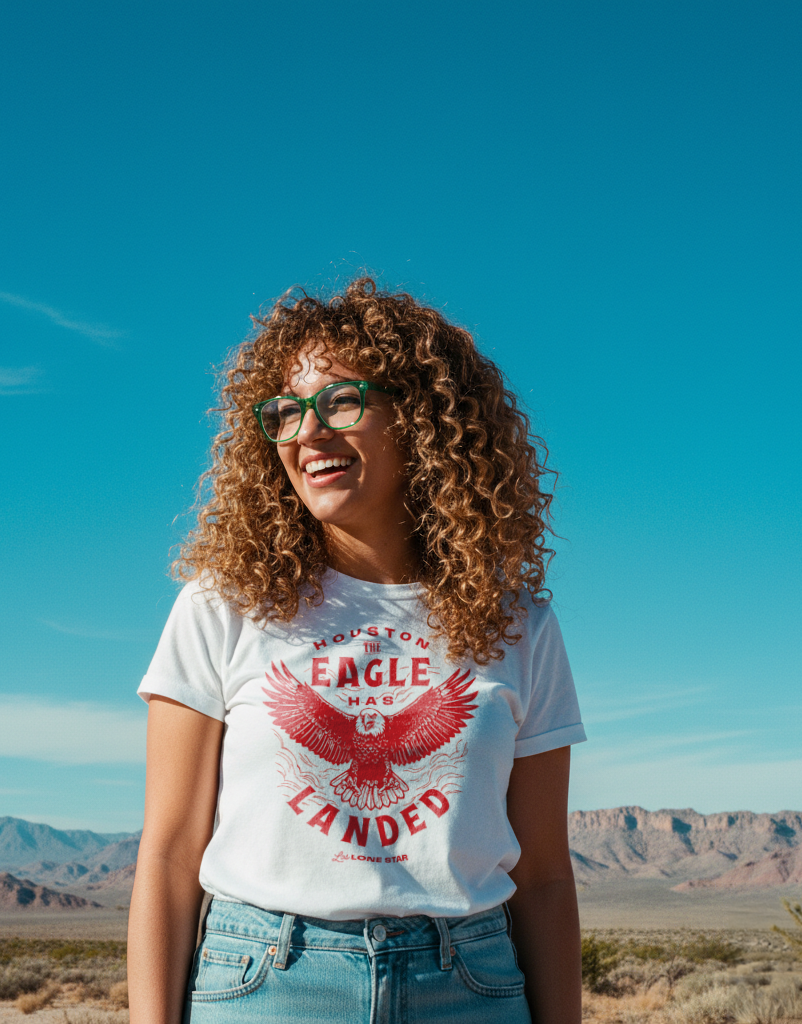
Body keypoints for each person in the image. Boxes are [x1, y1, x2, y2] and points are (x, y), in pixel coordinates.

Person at [127, 278, 587, 1024]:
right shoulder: (223, 606)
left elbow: (542, 877)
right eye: (285, 413)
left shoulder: (517, 623)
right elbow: (172, 853)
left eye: (341, 402)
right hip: (267, 983)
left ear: (423, 419)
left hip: (470, 983)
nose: (307, 433)